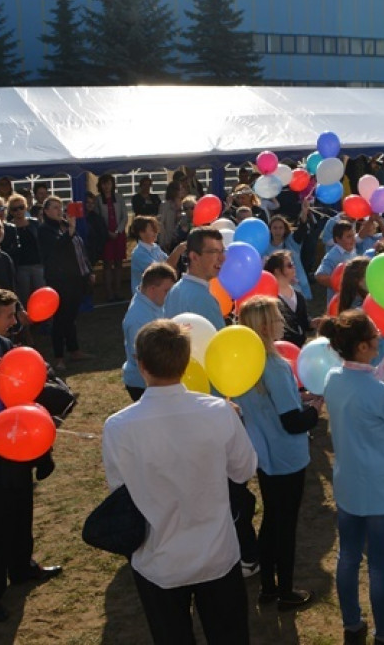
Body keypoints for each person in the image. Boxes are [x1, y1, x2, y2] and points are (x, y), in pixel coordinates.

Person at [103, 319, 257, 645]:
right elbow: (244, 470)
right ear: (187, 362)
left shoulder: (119, 426)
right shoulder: (218, 412)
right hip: (216, 554)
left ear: (141, 365)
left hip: (159, 560)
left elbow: (119, 488)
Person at [319, 310, 384, 645]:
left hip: (348, 487)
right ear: (364, 346)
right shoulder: (382, 395)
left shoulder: (334, 379)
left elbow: (369, 380)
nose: (382, 339)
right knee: (379, 567)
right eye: (377, 336)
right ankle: (383, 634)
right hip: (381, 493)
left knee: (348, 557)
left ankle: (352, 624)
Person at [0, 288, 66, 623]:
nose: (15, 320)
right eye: (8, 315)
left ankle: (22, 567)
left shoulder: (8, 347)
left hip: (19, 445)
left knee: (22, 508)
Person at [162, 227, 259, 576]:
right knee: (230, 492)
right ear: (194, 256)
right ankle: (243, 555)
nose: (221, 258)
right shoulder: (200, 298)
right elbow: (218, 359)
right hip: (209, 407)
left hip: (186, 404)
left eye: (223, 251)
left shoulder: (176, 291)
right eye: (214, 252)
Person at [236, 296, 323, 610]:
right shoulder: (274, 365)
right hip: (287, 457)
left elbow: (271, 404)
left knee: (271, 520)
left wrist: (300, 395)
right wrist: (315, 410)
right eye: (276, 318)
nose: (282, 322)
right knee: (285, 526)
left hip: (264, 455)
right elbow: (292, 422)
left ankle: (268, 588)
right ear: (263, 326)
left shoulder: (245, 363)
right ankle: (285, 591)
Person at [122, 263, 178, 402]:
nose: (170, 295)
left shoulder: (151, 301)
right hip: (144, 384)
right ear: (152, 289)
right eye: (167, 291)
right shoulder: (138, 319)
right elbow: (142, 359)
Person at [6, 193, 46, 308]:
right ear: (10, 211)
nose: (18, 211)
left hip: (37, 264)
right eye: (15, 209)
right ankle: (26, 324)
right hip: (20, 267)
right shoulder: (9, 227)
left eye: (21, 207)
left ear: (26, 207)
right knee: (24, 298)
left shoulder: (34, 223)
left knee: (41, 295)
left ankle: (44, 324)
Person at [265, 251, 311, 347]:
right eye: (289, 265)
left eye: (293, 264)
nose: (294, 267)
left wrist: (314, 323)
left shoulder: (298, 295)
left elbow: (304, 323)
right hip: (281, 350)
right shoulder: (270, 299)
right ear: (277, 270)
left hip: (300, 350)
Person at [128, 216, 184, 294]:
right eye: (152, 230)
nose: (156, 232)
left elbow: (170, 264)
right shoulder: (139, 254)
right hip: (145, 299)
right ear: (141, 233)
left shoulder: (155, 247)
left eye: (155, 229)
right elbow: (162, 272)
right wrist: (178, 250)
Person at [95, 174, 128, 301]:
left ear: (112, 184)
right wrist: (108, 232)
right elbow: (98, 219)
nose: (106, 186)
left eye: (108, 183)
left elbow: (125, 217)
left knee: (119, 263)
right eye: (104, 184)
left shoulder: (119, 198)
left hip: (119, 235)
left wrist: (118, 231)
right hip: (106, 236)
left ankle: (118, 291)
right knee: (107, 264)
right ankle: (109, 292)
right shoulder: (98, 200)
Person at [266, 215, 312, 299]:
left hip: (297, 284)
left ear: (285, 229)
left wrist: (304, 213)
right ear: (270, 229)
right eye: (275, 228)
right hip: (276, 286)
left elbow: (301, 230)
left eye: (281, 228)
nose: (278, 231)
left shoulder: (291, 242)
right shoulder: (265, 247)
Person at [157, 181, 186, 252]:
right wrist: (163, 242)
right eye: (181, 189)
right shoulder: (165, 205)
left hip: (180, 240)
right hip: (167, 240)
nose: (183, 190)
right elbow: (161, 224)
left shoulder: (185, 204)